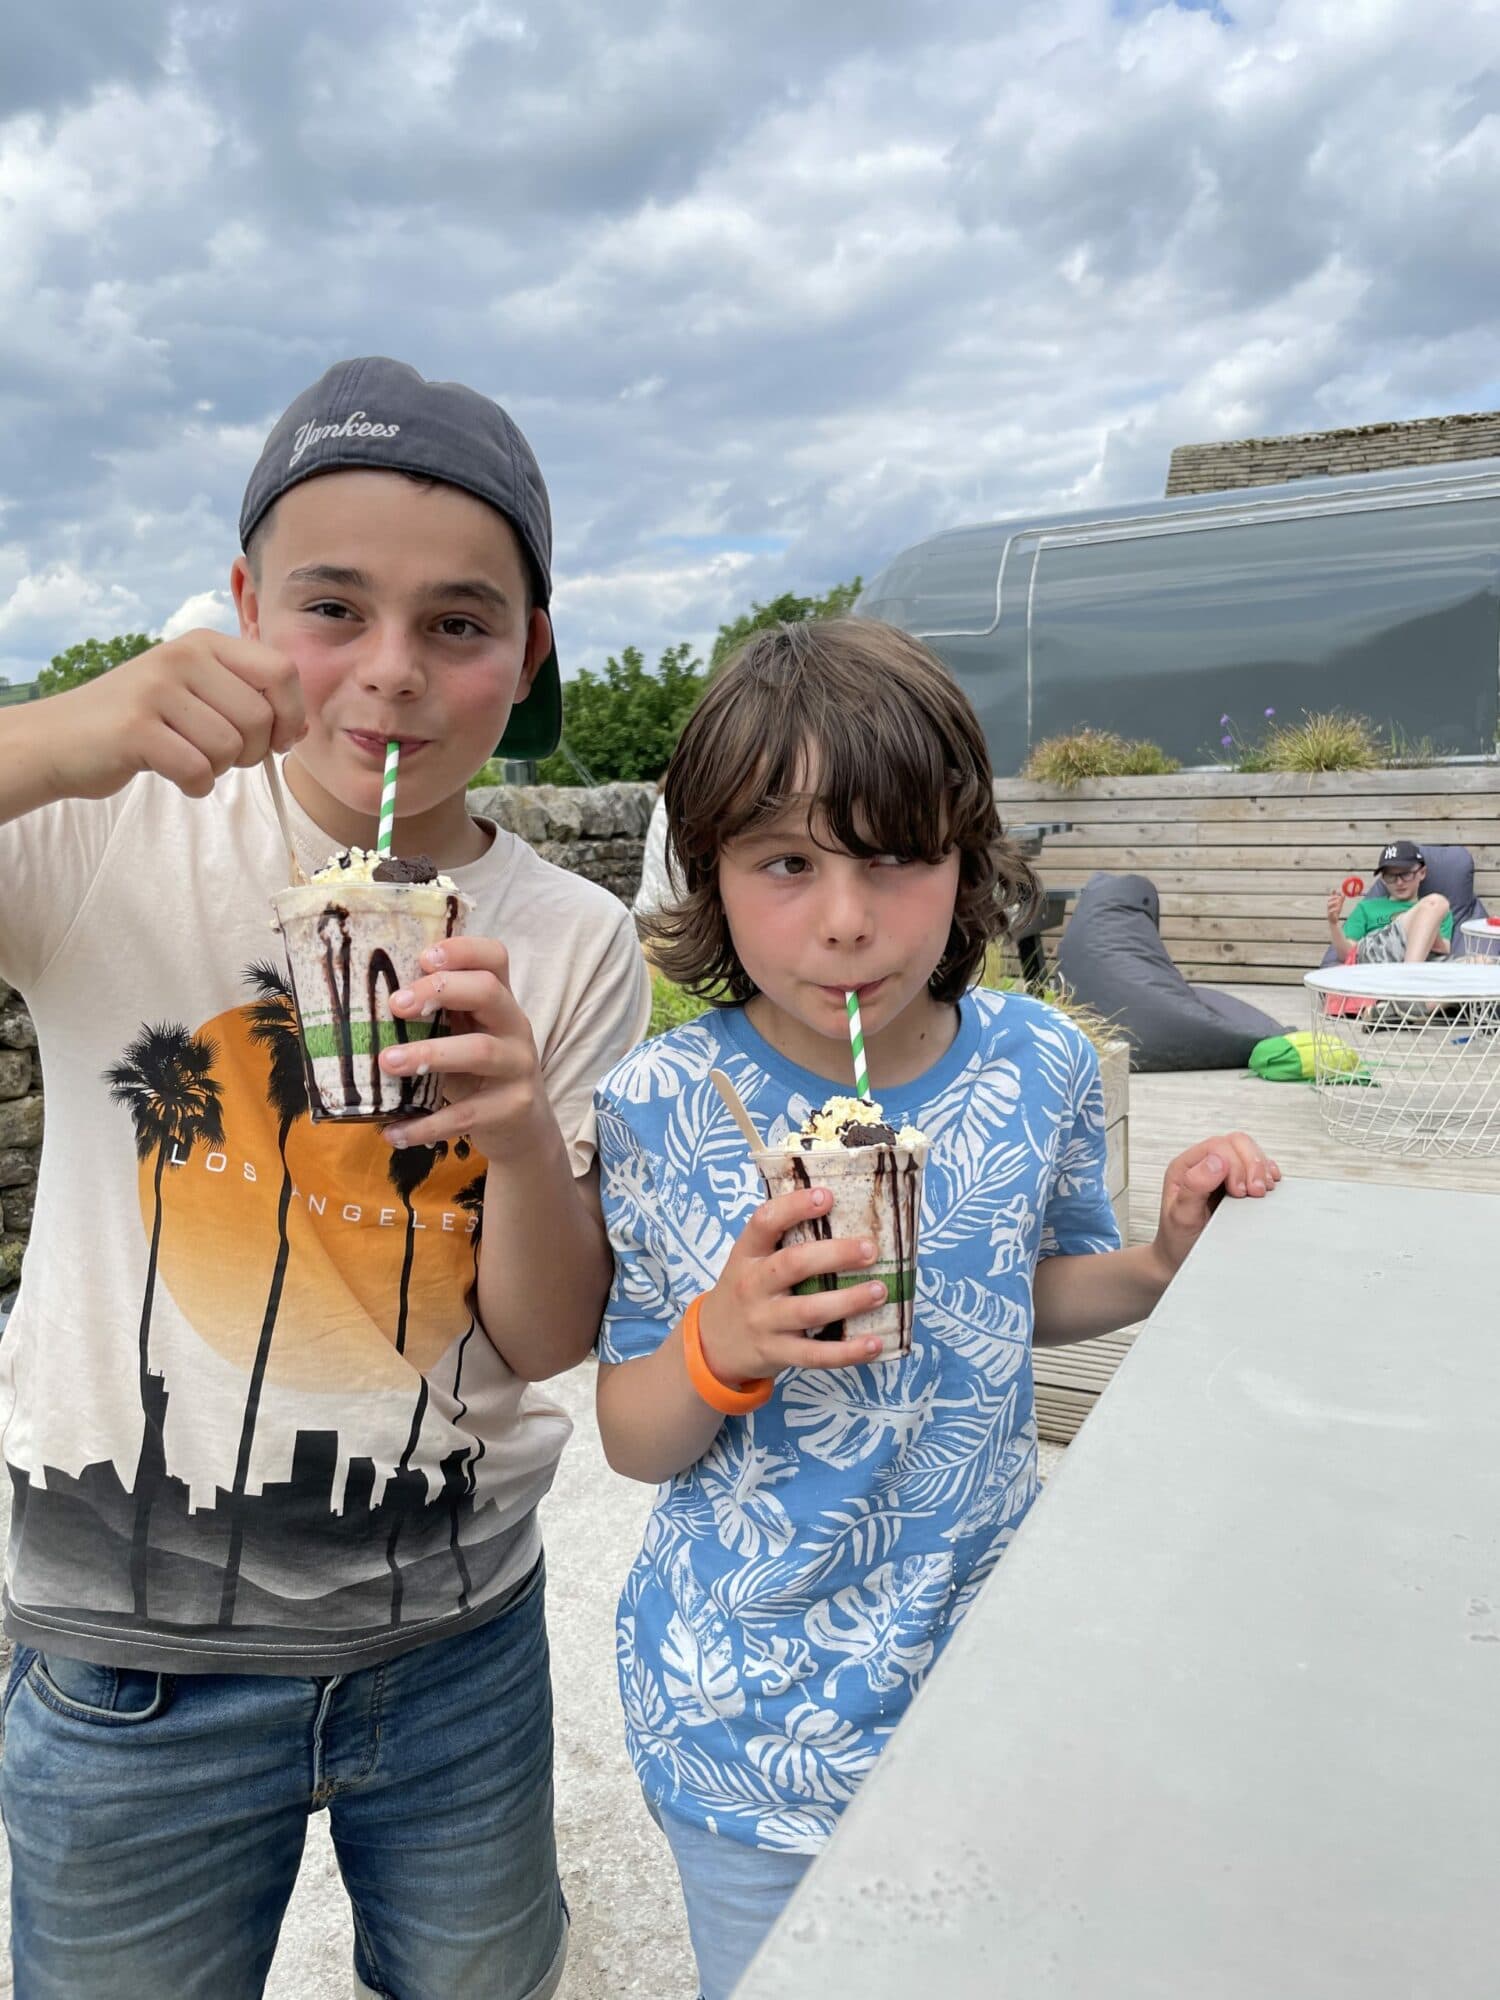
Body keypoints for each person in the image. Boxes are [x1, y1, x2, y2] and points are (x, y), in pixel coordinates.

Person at [0, 358, 650, 2000]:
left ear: (533, 649)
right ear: (239, 603)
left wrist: (510, 1129)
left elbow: (551, 1333)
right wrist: (56, 735)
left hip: (456, 1649)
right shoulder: (107, 834)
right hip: (125, 1665)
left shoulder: (569, 944)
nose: (392, 675)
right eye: (333, 609)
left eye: (458, 623)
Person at [591, 618, 1279, 1999]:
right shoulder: (664, 1108)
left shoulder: (1035, 1064)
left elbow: (1015, 1294)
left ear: (965, 861)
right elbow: (631, 1433)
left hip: (985, 1676)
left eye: (895, 858)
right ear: (713, 880)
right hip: (747, 1718)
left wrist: (1155, 1267)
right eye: (786, 863)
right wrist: (723, 1341)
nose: (846, 918)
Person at [1326, 839, 1452, 965]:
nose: (1399, 882)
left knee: (1469, 961)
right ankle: (1410, 973)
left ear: (1422, 872)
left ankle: (1409, 972)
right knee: (1438, 902)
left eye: (1406, 874)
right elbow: (1348, 955)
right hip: (1375, 956)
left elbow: (1443, 951)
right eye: (1391, 876)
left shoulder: (1438, 913)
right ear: (1383, 879)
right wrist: (1333, 923)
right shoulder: (1366, 908)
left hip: (1422, 960)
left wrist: (1425, 924)